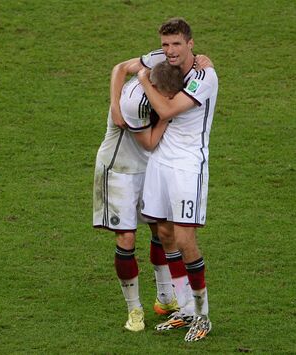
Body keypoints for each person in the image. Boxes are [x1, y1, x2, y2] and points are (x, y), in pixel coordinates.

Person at [110, 17, 218, 342]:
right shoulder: (163, 62)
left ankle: (202, 314)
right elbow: (121, 67)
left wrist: (143, 79)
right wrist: (119, 101)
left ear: (190, 44)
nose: (170, 51)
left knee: (186, 240)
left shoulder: (205, 76)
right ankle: (184, 307)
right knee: (165, 233)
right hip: (160, 162)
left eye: (176, 44)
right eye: (165, 45)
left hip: (188, 166)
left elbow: (168, 110)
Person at [93, 61, 185, 332]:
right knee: (127, 237)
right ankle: (134, 309)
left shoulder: (163, 65)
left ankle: (166, 298)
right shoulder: (135, 103)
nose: (168, 102)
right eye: (165, 97)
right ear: (153, 88)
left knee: (163, 230)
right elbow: (150, 141)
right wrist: (168, 114)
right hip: (119, 171)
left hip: (149, 168)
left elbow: (121, 66)